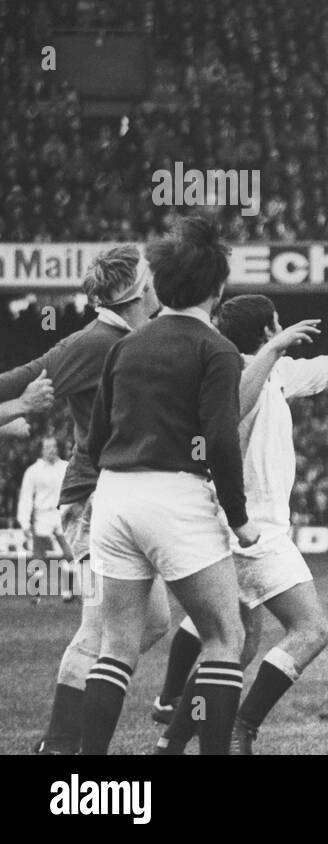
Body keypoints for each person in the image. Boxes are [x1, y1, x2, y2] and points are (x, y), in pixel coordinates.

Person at [154, 294, 328, 753]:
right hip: (246, 527)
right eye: (277, 325)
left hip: (244, 526)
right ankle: (244, 725)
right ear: (266, 332)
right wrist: (274, 349)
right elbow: (231, 412)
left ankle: (171, 742)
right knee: (311, 629)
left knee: (232, 645)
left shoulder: (277, 372)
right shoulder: (230, 372)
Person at [80, 216, 257, 755]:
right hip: (174, 496)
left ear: (161, 285)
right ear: (218, 288)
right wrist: (240, 517)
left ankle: (86, 781)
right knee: (226, 638)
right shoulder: (216, 349)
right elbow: (222, 442)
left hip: (113, 496)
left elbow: (95, 440)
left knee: (116, 646)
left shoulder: (126, 345)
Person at [0, 245, 171, 755]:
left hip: (124, 496)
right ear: (134, 289)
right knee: (97, 631)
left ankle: (70, 723)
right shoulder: (93, 342)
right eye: (150, 273)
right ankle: (59, 747)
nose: (158, 280)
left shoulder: (136, 337)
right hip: (93, 500)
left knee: (155, 623)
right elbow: (16, 381)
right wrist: (17, 407)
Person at [18, 437, 70, 590]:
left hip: (63, 514)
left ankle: (68, 590)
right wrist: (25, 522)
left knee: (70, 554)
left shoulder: (66, 467)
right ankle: (35, 591)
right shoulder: (33, 471)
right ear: (42, 450)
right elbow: (26, 497)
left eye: (53, 446)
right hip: (42, 516)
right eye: (47, 447)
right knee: (39, 557)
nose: (51, 450)